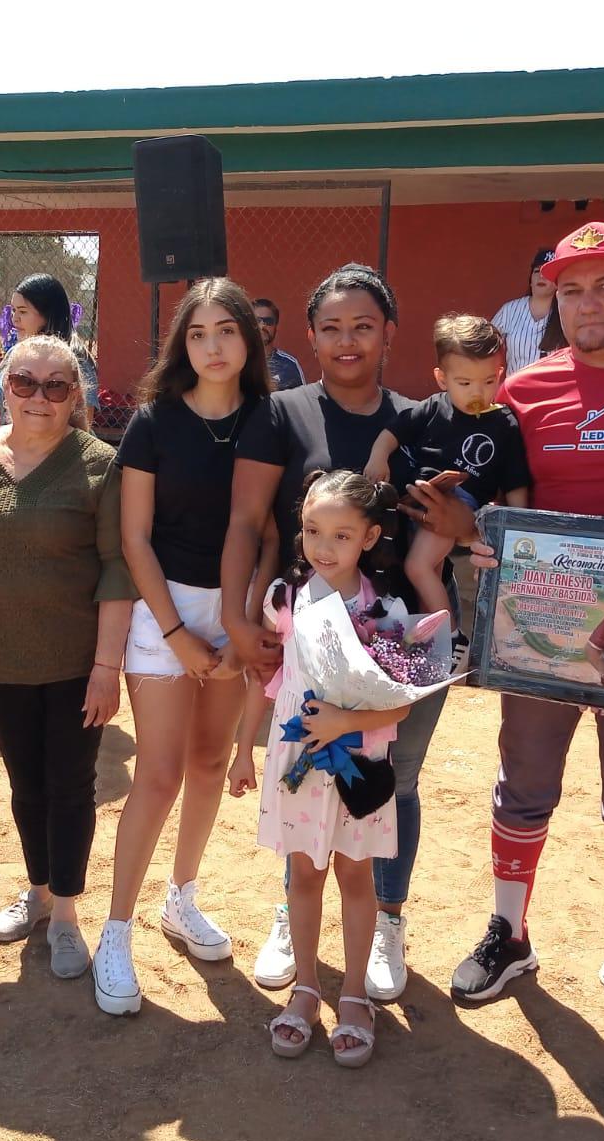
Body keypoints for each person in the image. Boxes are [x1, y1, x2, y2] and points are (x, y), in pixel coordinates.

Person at [440, 223, 604, 1035]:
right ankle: (509, 934)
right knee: (525, 783)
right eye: (571, 287)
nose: (588, 303)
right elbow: (485, 493)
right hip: (542, 626)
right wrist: (478, 540)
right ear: (553, 295)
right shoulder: (526, 390)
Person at [221, 262, 470, 1003]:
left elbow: (459, 515)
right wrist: (242, 617)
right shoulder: (281, 412)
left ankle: (387, 917)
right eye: (331, 327)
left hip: (403, 641)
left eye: (364, 325)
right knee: (307, 771)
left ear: (390, 332)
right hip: (307, 639)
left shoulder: (425, 416)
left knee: (396, 780)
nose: (347, 340)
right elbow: (250, 522)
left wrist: (465, 524)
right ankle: (292, 906)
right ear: (311, 336)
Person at [91, 278, 272, 1016]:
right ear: (181, 345)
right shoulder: (153, 422)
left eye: (225, 330)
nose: (212, 345)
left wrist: (242, 623)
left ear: (248, 341)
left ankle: (183, 897)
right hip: (162, 611)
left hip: (237, 612)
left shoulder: (269, 419)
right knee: (159, 775)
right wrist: (174, 631)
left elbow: (266, 533)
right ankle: (115, 931)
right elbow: (134, 537)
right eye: (197, 334)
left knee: (206, 763)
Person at [0, 335, 135, 980]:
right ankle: (39, 889)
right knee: (26, 785)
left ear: (74, 396)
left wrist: (108, 669)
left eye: (57, 386)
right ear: (4, 386)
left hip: (77, 659)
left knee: (71, 786)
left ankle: (68, 914)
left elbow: (116, 568)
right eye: (24, 382)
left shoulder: (97, 464)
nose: (39, 397)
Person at [229, 470, 414, 1067]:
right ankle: (307, 987)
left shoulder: (385, 609)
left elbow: (404, 701)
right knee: (303, 874)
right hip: (295, 759)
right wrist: (241, 749)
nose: (323, 546)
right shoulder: (286, 597)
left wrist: (343, 723)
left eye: (341, 534)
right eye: (312, 531)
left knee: (354, 876)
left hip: (360, 763)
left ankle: (355, 994)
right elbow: (270, 680)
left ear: (370, 536)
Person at [364, 314, 530, 614]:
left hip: (456, 502)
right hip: (419, 499)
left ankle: (448, 634)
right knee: (430, 570)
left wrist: (518, 529)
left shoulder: (504, 423)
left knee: (418, 567)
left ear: (501, 373)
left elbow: (515, 480)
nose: (477, 392)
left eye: (489, 381)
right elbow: (393, 432)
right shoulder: (433, 406)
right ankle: (433, 631)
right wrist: (378, 456)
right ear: (443, 379)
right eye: (464, 382)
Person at [0, 273, 100, 431]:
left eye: (22, 312)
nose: (14, 319)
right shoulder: (17, 352)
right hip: (12, 449)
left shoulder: (74, 358)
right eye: (14, 310)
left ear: (47, 314)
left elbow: (83, 426)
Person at [491, 247, 559, 375]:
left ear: (557, 282)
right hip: (516, 390)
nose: (541, 276)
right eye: (537, 271)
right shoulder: (510, 310)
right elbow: (485, 344)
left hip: (554, 392)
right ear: (530, 280)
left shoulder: (564, 312)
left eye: (547, 272)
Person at [254, 297, 306, 390]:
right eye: (257, 321)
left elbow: (301, 402)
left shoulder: (289, 365)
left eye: (268, 321)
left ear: (275, 326)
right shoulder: (239, 361)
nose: (262, 326)